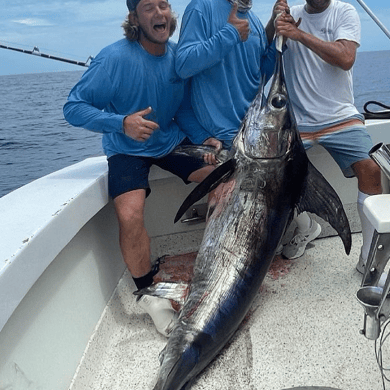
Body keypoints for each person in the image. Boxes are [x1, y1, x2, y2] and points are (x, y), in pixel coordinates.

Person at [63, 0, 219, 337]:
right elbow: (73, 107)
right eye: (149, 7)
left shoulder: (179, 57)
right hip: (126, 149)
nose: (159, 13)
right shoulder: (114, 58)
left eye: (163, 4)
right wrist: (121, 122)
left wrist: (204, 138)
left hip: (169, 141)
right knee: (130, 213)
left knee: (224, 179)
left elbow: (185, 111)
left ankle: (222, 259)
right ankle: (150, 295)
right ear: (134, 18)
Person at [275, 0, 381, 270]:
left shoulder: (344, 11)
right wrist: (273, 22)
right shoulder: (291, 14)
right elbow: (266, 49)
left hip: (340, 117)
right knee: (271, 177)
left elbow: (346, 58)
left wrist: (298, 34)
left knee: (371, 169)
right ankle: (307, 227)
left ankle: (368, 257)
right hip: (298, 121)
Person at [175, 0, 289, 151]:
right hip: (221, 142)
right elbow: (183, 65)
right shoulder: (200, 7)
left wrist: (279, 38)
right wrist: (230, 34)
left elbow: (258, 76)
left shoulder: (254, 21)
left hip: (257, 136)